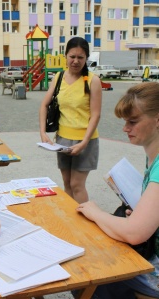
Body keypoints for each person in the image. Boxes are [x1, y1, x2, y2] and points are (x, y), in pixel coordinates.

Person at [77, 82, 159, 299]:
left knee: (85, 273)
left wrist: (95, 212)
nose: (125, 128)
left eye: (133, 122)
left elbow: (134, 233)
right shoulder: (153, 156)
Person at [39, 37, 102, 204]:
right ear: (65, 56)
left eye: (80, 57)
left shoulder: (93, 80)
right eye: (72, 56)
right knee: (67, 183)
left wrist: (84, 142)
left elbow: (96, 114)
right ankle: (72, 220)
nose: (75, 61)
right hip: (63, 140)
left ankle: (85, 223)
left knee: (77, 184)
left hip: (86, 140)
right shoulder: (58, 77)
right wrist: (42, 133)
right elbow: (44, 105)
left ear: (86, 58)